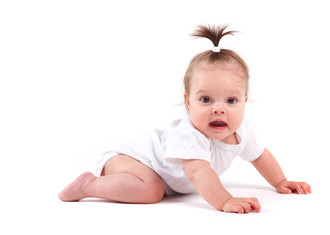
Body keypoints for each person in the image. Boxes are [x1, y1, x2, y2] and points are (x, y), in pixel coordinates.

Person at [58, 24, 311, 214]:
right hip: (132, 161)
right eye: (206, 100)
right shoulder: (189, 133)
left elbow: (261, 155)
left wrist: (280, 181)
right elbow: (199, 172)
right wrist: (225, 200)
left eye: (231, 101)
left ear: (245, 101)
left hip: (155, 174)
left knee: (156, 188)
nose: (218, 109)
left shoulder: (243, 130)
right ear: (187, 101)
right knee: (151, 190)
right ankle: (90, 185)